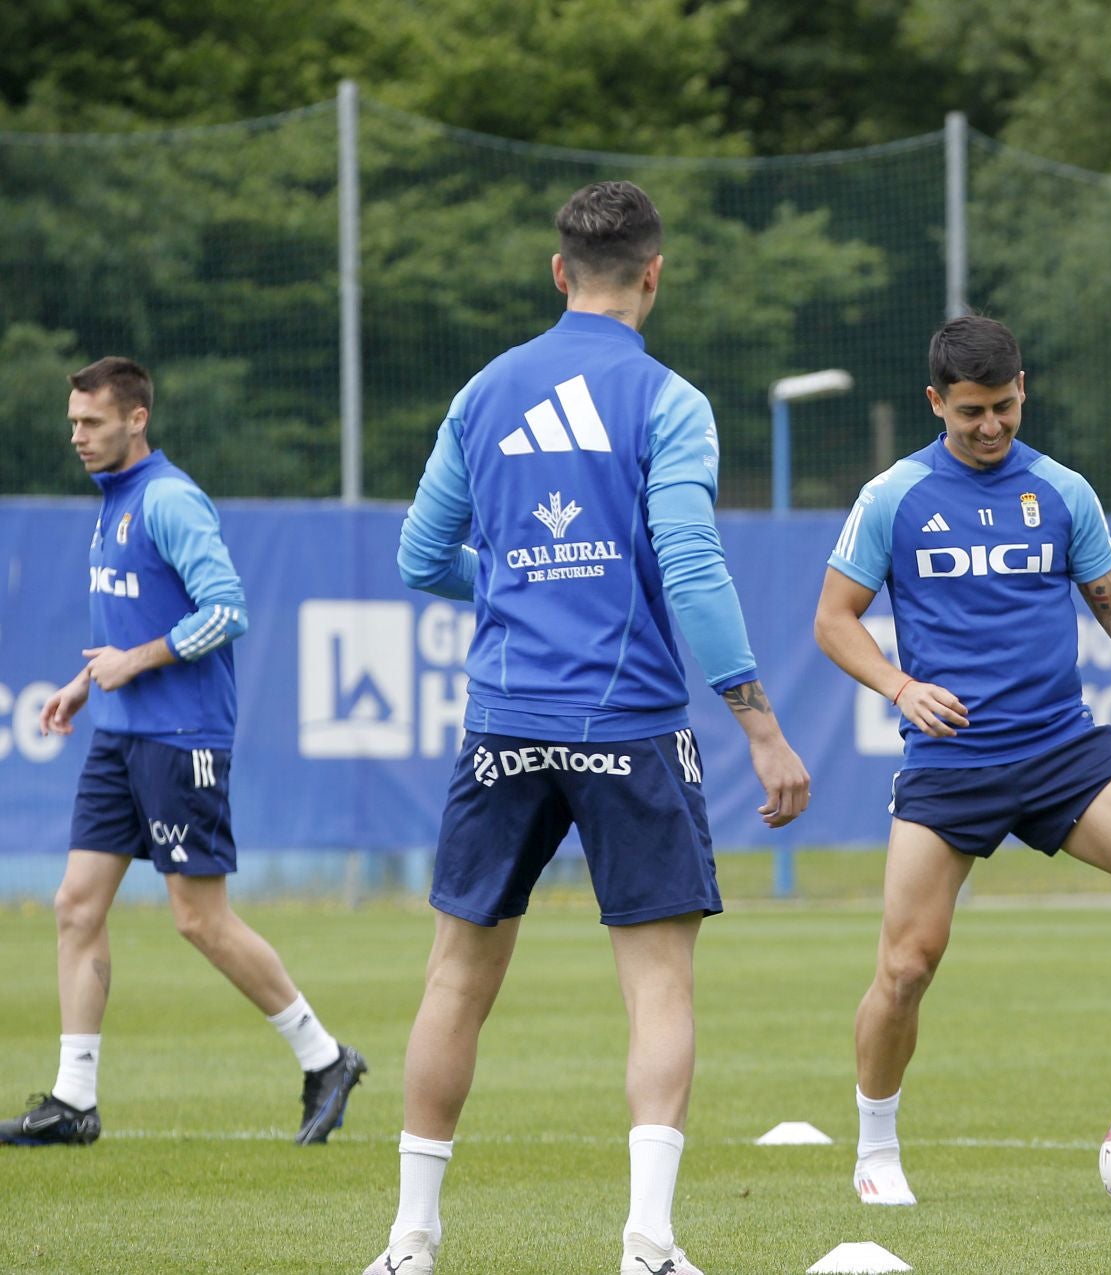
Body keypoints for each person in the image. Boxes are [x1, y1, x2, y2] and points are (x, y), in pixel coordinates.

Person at [367, 180, 810, 1275]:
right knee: (658, 988)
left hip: (505, 724)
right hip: (632, 728)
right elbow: (693, 568)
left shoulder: (481, 394)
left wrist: (517, 585)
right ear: (653, 275)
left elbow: (421, 559)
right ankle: (648, 1242)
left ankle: (411, 1242)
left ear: (557, 272)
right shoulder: (669, 402)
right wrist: (757, 720)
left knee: (455, 983)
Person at [814, 314, 1111, 1208]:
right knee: (906, 967)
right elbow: (833, 620)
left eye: (1005, 406)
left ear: (1025, 390)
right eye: (972, 410)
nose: (991, 426)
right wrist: (901, 688)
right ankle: (876, 1147)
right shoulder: (894, 495)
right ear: (936, 401)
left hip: (1061, 748)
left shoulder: (1062, 491)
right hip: (950, 762)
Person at [2, 357, 366, 1150]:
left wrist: (134, 663)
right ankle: (74, 1100)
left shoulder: (167, 499)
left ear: (136, 419)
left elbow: (227, 610)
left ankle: (327, 1055)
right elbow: (132, 621)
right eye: (73, 421)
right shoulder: (112, 502)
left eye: (91, 422)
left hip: (181, 740)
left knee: (199, 919)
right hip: (121, 735)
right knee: (75, 904)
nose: (77, 436)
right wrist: (84, 681)